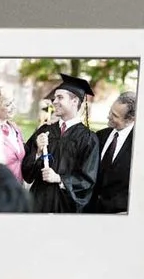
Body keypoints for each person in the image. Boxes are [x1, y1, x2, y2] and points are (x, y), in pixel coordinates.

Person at [21, 74, 100, 214]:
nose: (54, 101)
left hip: (65, 206)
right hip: (38, 203)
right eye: (55, 97)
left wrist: (59, 179)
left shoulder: (88, 138)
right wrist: (38, 152)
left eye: (60, 97)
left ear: (74, 101)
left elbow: (87, 180)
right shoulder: (45, 131)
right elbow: (27, 174)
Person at [94, 90, 139, 216]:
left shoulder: (139, 145)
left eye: (115, 115)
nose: (108, 116)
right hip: (92, 211)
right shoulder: (100, 136)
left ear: (131, 119)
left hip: (119, 214)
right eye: (110, 111)